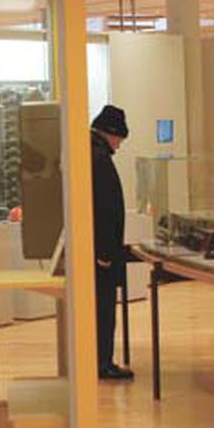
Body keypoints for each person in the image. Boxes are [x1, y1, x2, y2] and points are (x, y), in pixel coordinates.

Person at [90, 105, 134, 381]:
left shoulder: (94, 153)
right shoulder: (99, 158)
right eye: (119, 138)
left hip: (98, 249)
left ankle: (100, 360)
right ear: (111, 133)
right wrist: (106, 252)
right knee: (104, 309)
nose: (119, 145)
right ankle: (102, 363)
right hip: (101, 253)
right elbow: (105, 209)